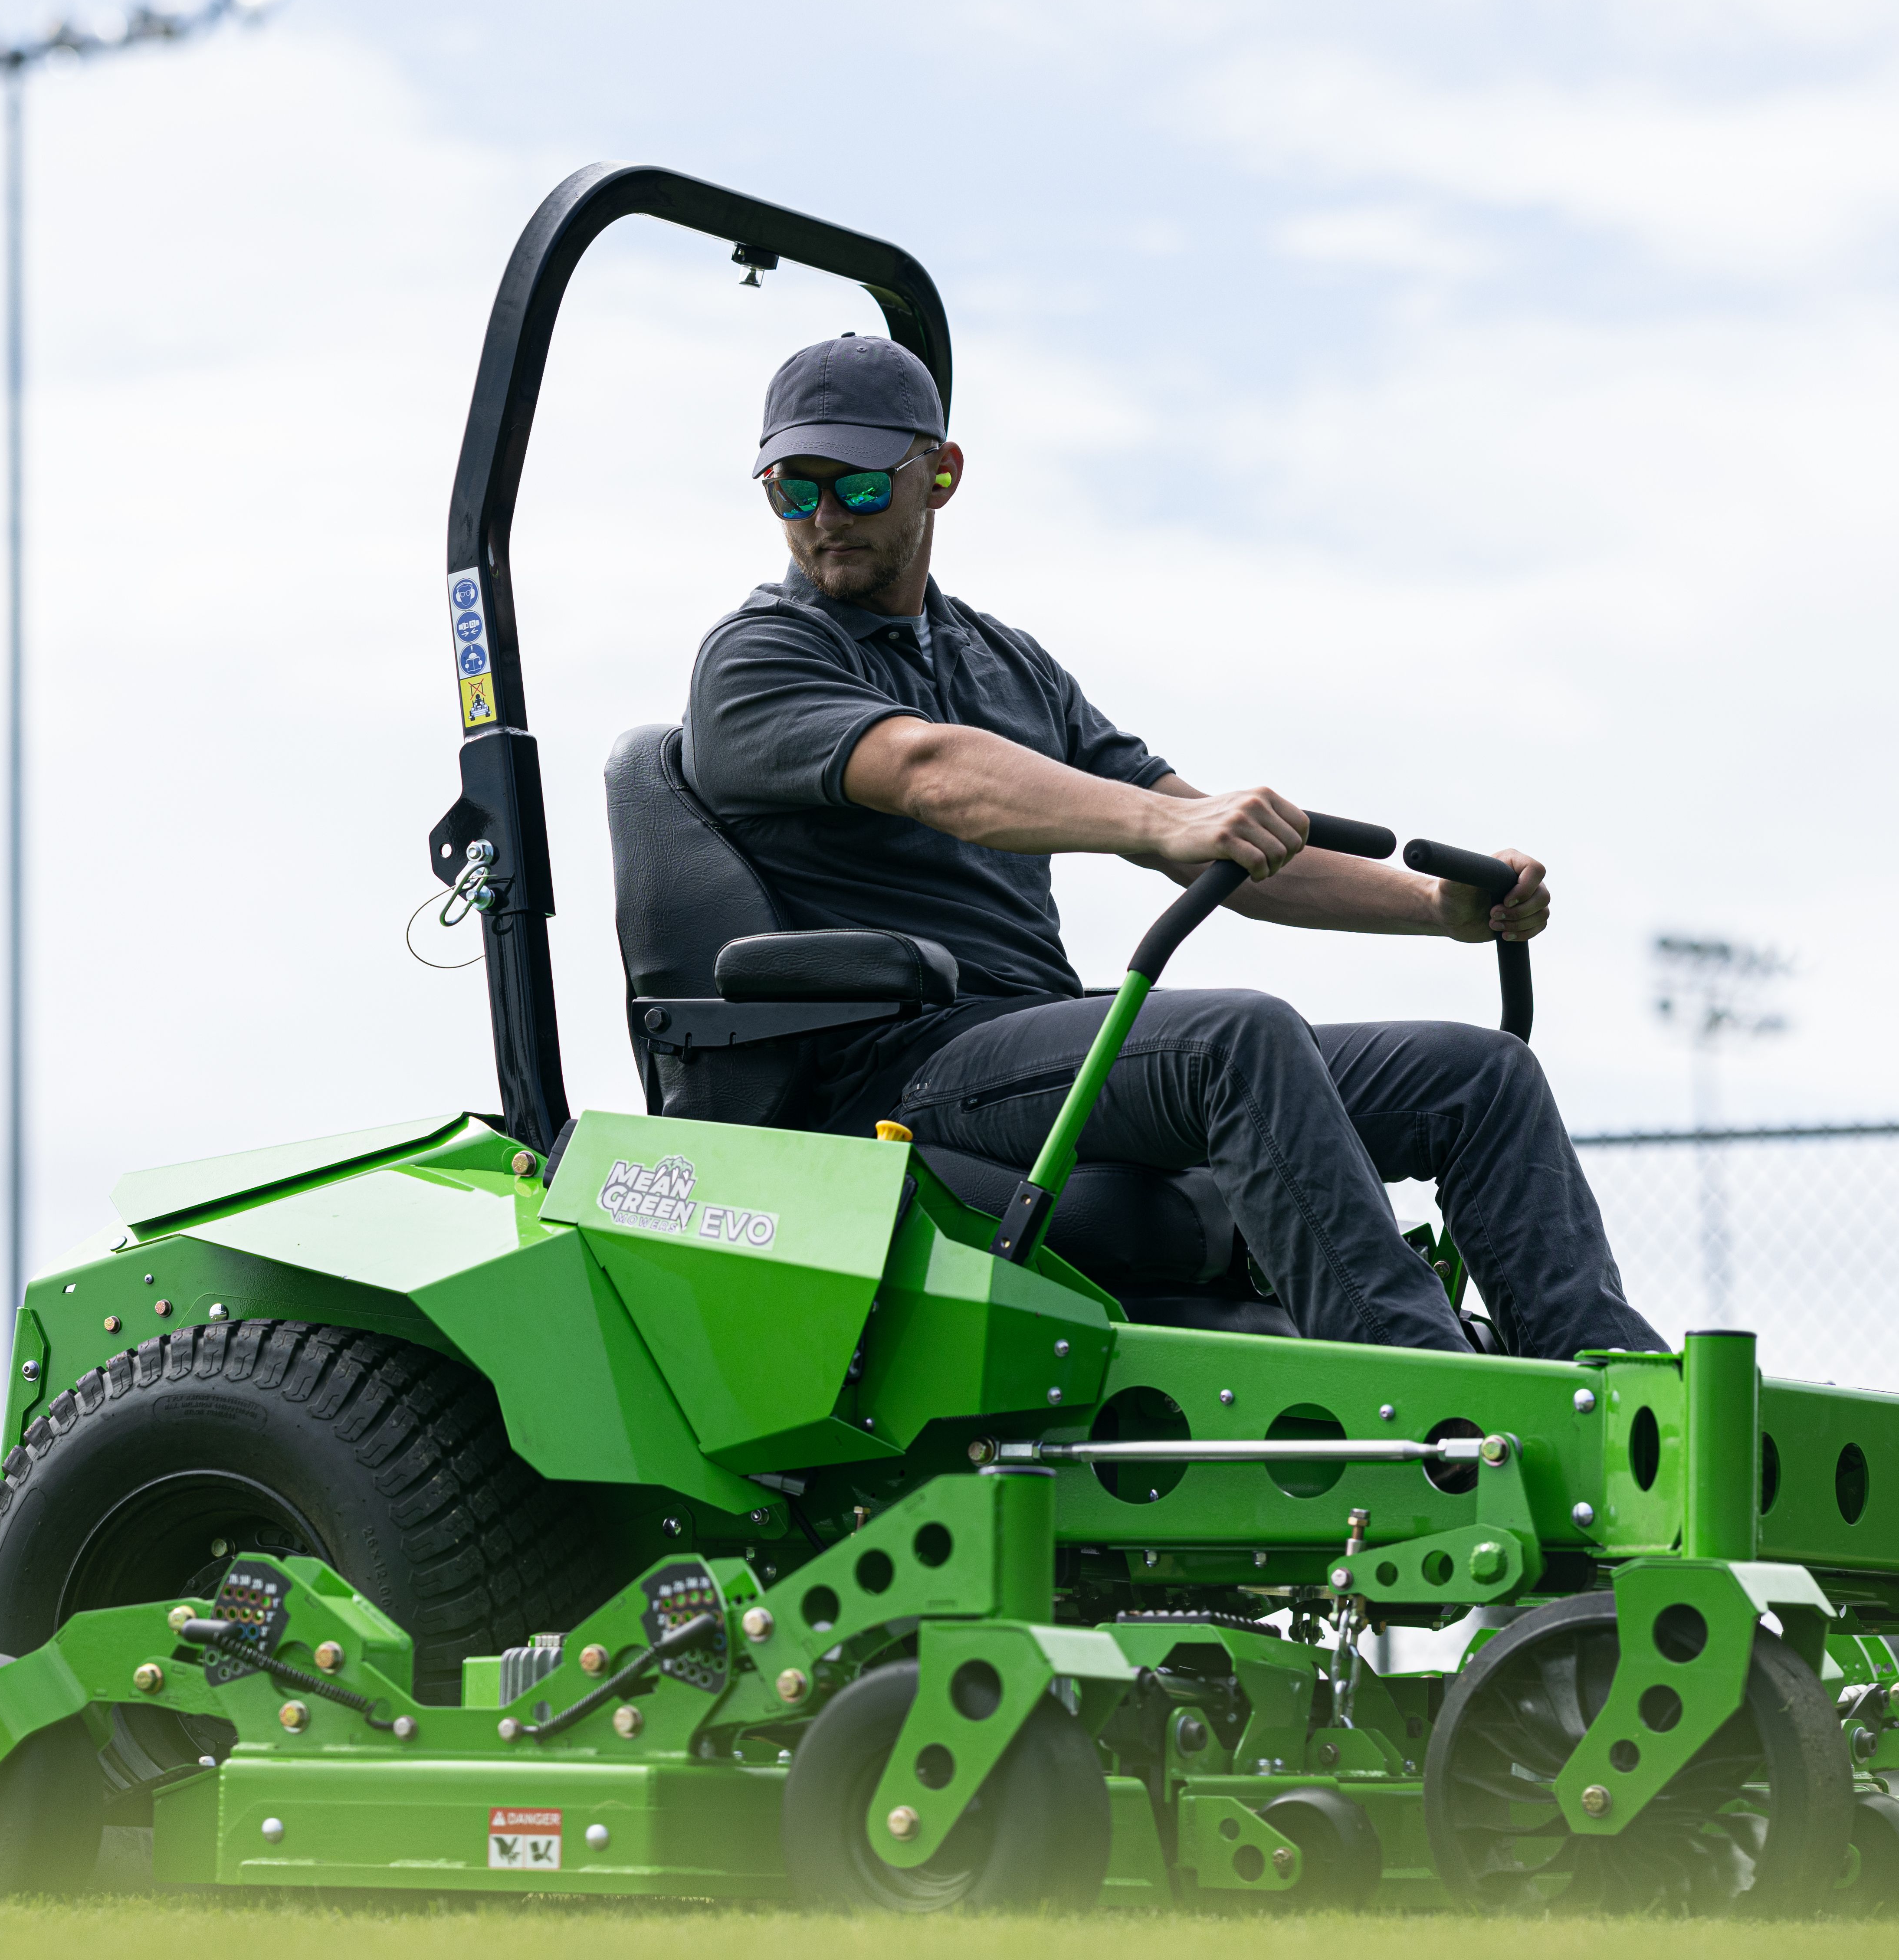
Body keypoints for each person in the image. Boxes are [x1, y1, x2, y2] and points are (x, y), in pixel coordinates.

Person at [682, 334, 1667, 1360]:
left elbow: (1219, 851)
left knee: (1477, 1074)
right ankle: (1431, 1399)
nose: (824, 519)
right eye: (790, 494)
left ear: (938, 474)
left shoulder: (1006, 665)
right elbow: (931, 771)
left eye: (851, 485)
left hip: (1028, 1046)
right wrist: (1164, 823)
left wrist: (1434, 910)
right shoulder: (757, 657)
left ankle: (1610, 1389)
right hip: (896, 1070)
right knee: (1229, 1039)